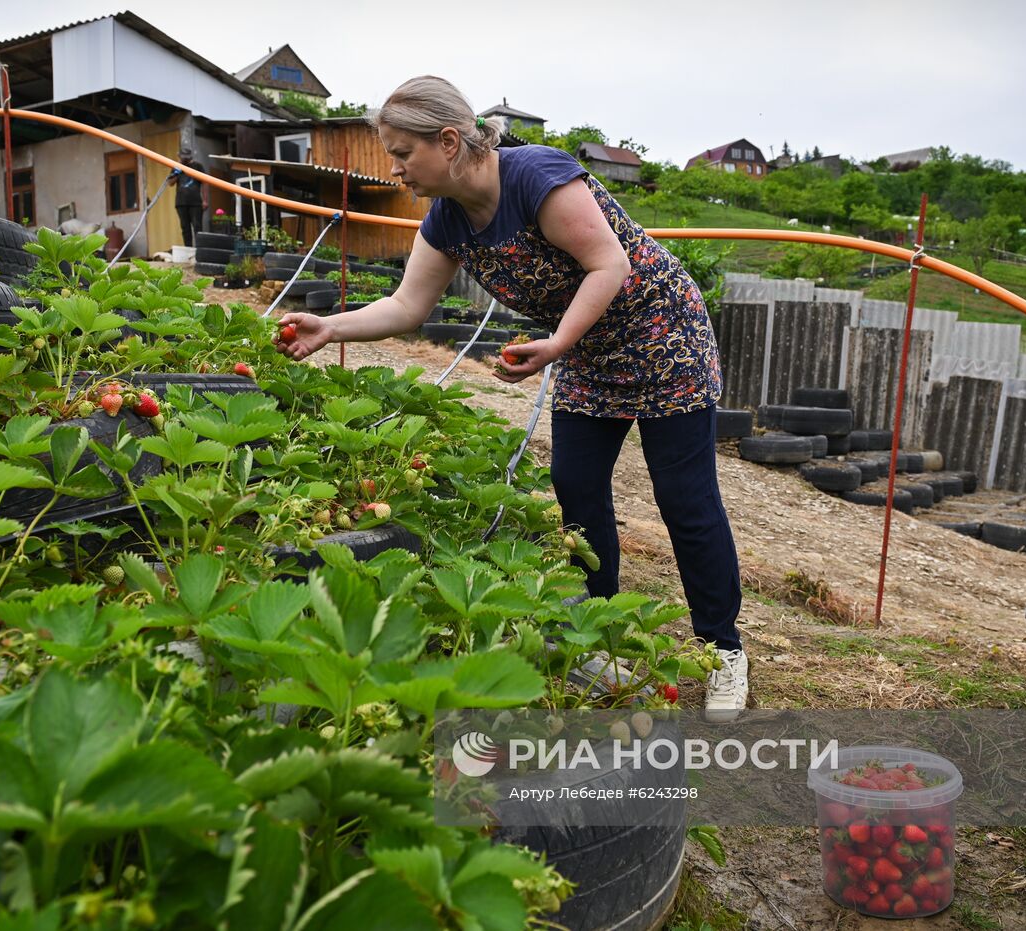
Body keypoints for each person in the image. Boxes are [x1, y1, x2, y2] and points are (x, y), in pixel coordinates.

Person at [272, 76, 749, 720]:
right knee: (576, 487)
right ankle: (596, 638)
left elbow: (609, 265)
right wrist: (332, 326)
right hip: (583, 347)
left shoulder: (535, 177)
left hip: (662, 333)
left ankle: (723, 650)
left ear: (447, 140)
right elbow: (409, 305)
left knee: (684, 500)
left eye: (402, 152)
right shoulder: (445, 217)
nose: (395, 168)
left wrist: (555, 345)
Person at [172, 151, 205, 247]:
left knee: (197, 226)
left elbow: (205, 182)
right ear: (179, 157)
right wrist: (178, 172)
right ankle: (188, 249)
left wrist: (205, 200)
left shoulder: (197, 166)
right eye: (183, 158)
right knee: (185, 228)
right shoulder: (176, 167)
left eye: (186, 157)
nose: (185, 159)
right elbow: (170, 183)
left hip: (196, 202)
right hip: (181, 203)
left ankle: (200, 249)